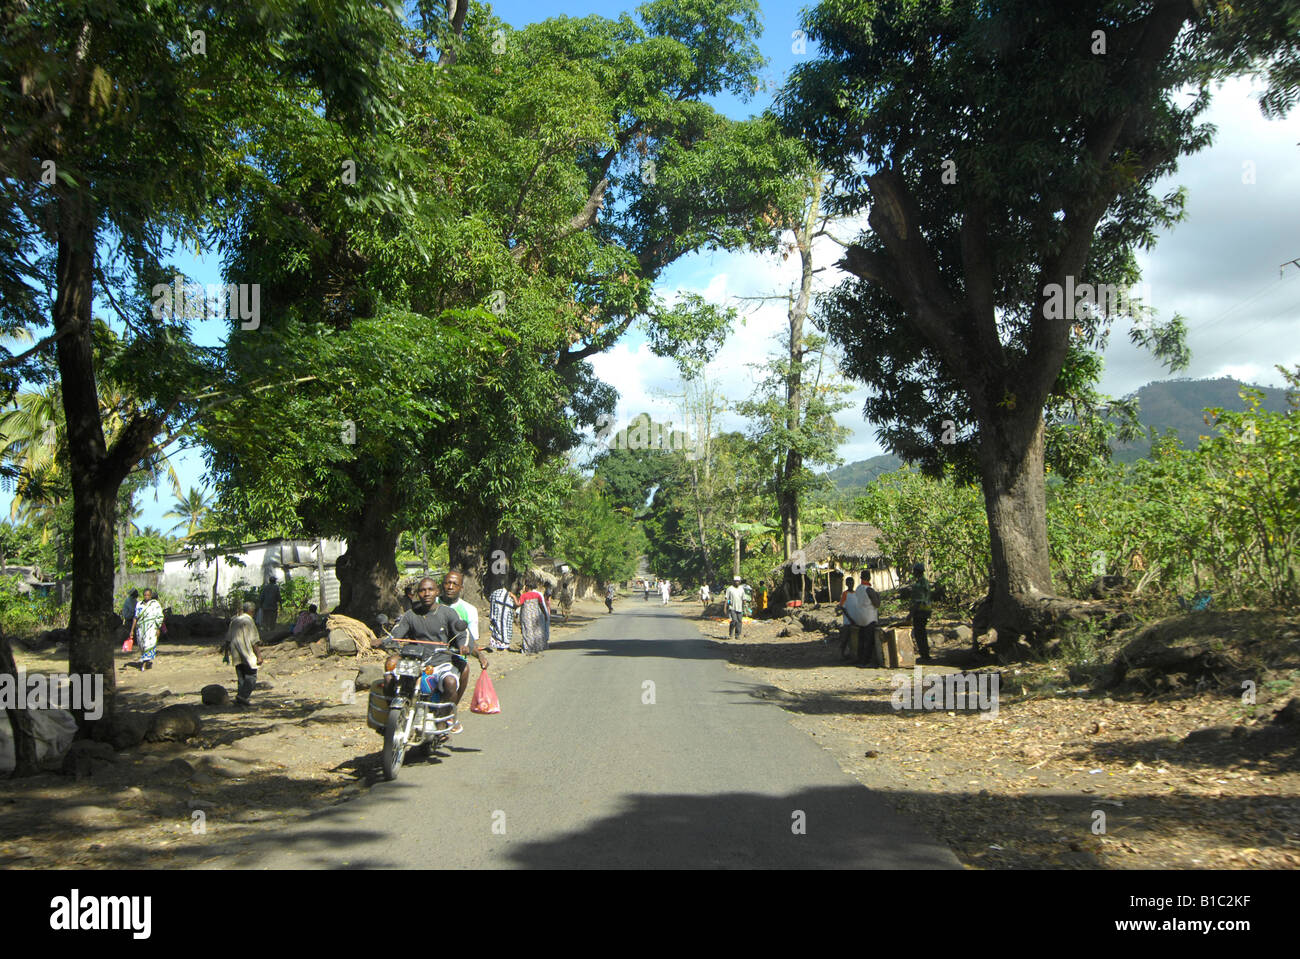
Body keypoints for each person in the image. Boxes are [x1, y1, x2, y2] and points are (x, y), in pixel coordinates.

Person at [388, 577, 487, 724]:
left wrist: (463, 646)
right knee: (389, 677)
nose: (426, 593)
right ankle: (392, 717)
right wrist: (385, 640)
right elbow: (396, 633)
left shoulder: (448, 613)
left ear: (437, 592)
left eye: (430, 590)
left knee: (450, 682)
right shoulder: (410, 614)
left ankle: (442, 719)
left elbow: (463, 634)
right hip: (414, 661)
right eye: (422, 590)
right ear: (417, 594)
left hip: (441, 661)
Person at [225, 602, 263, 706]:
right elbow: (254, 640)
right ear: (252, 611)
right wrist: (259, 655)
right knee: (251, 675)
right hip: (247, 652)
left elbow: (227, 639)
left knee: (241, 675)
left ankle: (240, 698)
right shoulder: (249, 621)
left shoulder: (235, 620)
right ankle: (243, 696)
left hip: (235, 652)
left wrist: (226, 655)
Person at [843, 569, 882, 667]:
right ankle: (866, 661)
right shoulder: (869, 590)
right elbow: (877, 604)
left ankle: (860, 659)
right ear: (869, 578)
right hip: (869, 618)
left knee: (861, 640)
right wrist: (878, 596)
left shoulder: (859, 588)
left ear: (861, 578)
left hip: (860, 617)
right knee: (869, 641)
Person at [435, 570, 480, 649]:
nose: (450, 587)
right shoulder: (431, 604)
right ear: (442, 585)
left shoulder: (470, 610)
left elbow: (472, 641)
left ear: (461, 588)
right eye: (447, 583)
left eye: (455, 584)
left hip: (457, 656)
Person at [128, 588, 164, 670]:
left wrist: (158, 628)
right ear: (143, 595)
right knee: (142, 646)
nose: (146, 596)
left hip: (151, 628)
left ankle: (144, 664)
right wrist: (132, 630)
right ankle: (146, 660)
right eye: (145, 595)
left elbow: (160, 616)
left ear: (151, 595)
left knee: (148, 644)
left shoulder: (155, 604)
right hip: (141, 629)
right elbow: (135, 617)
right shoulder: (139, 605)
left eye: (148, 595)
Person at [518, 575, 550, 654]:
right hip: (536, 616)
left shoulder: (523, 596)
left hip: (526, 616)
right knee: (537, 631)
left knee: (527, 631)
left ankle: (528, 648)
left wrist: (513, 597)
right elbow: (541, 606)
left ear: (527, 587)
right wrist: (545, 615)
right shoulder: (538, 595)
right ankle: (538, 647)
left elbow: (518, 604)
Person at [909, 562, 933, 662]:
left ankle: (924, 655)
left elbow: (918, 602)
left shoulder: (918, 585)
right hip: (926, 611)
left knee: (919, 634)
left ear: (917, 572)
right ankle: (925, 653)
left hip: (920, 612)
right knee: (922, 632)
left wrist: (911, 614)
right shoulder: (926, 582)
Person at [487, 582, 518, 651]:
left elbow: (491, 601)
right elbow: (515, 605)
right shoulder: (509, 595)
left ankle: (498, 645)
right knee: (504, 629)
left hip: (497, 616)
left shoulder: (495, 593)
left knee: (497, 629)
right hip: (505, 617)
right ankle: (503, 645)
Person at [837, 577, 856, 658]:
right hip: (848, 620)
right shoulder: (845, 594)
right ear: (846, 584)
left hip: (855, 619)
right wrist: (849, 618)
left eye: (852, 582)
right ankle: (842, 654)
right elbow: (842, 607)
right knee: (845, 638)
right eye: (849, 583)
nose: (851, 584)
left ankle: (852, 653)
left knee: (853, 639)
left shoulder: (856, 593)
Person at [724, 576, 745, 640]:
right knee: (734, 620)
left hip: (740, 608)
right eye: (735, 581)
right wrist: (725, 608)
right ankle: (731, 633)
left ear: (740, 582)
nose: (737, 582)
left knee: (739, 621)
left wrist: (745, 607)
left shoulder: (741, 589)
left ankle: (737, 635)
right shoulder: (729, 589)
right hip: (732, 607)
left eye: (738, 581)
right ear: (733, 581)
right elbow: (726, 599)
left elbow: (744, 599)